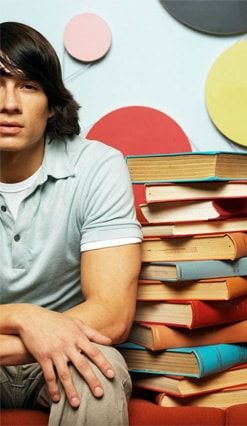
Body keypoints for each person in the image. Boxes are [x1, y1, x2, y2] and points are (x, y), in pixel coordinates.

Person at [0, 22, 142, 425]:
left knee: (98, 369)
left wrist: (48, 335)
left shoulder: (98, 166)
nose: (8, 103)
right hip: (45, 335)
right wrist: (25, 318)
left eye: (28, 86)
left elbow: (112, 315)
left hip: (70, 349)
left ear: (51, 102)